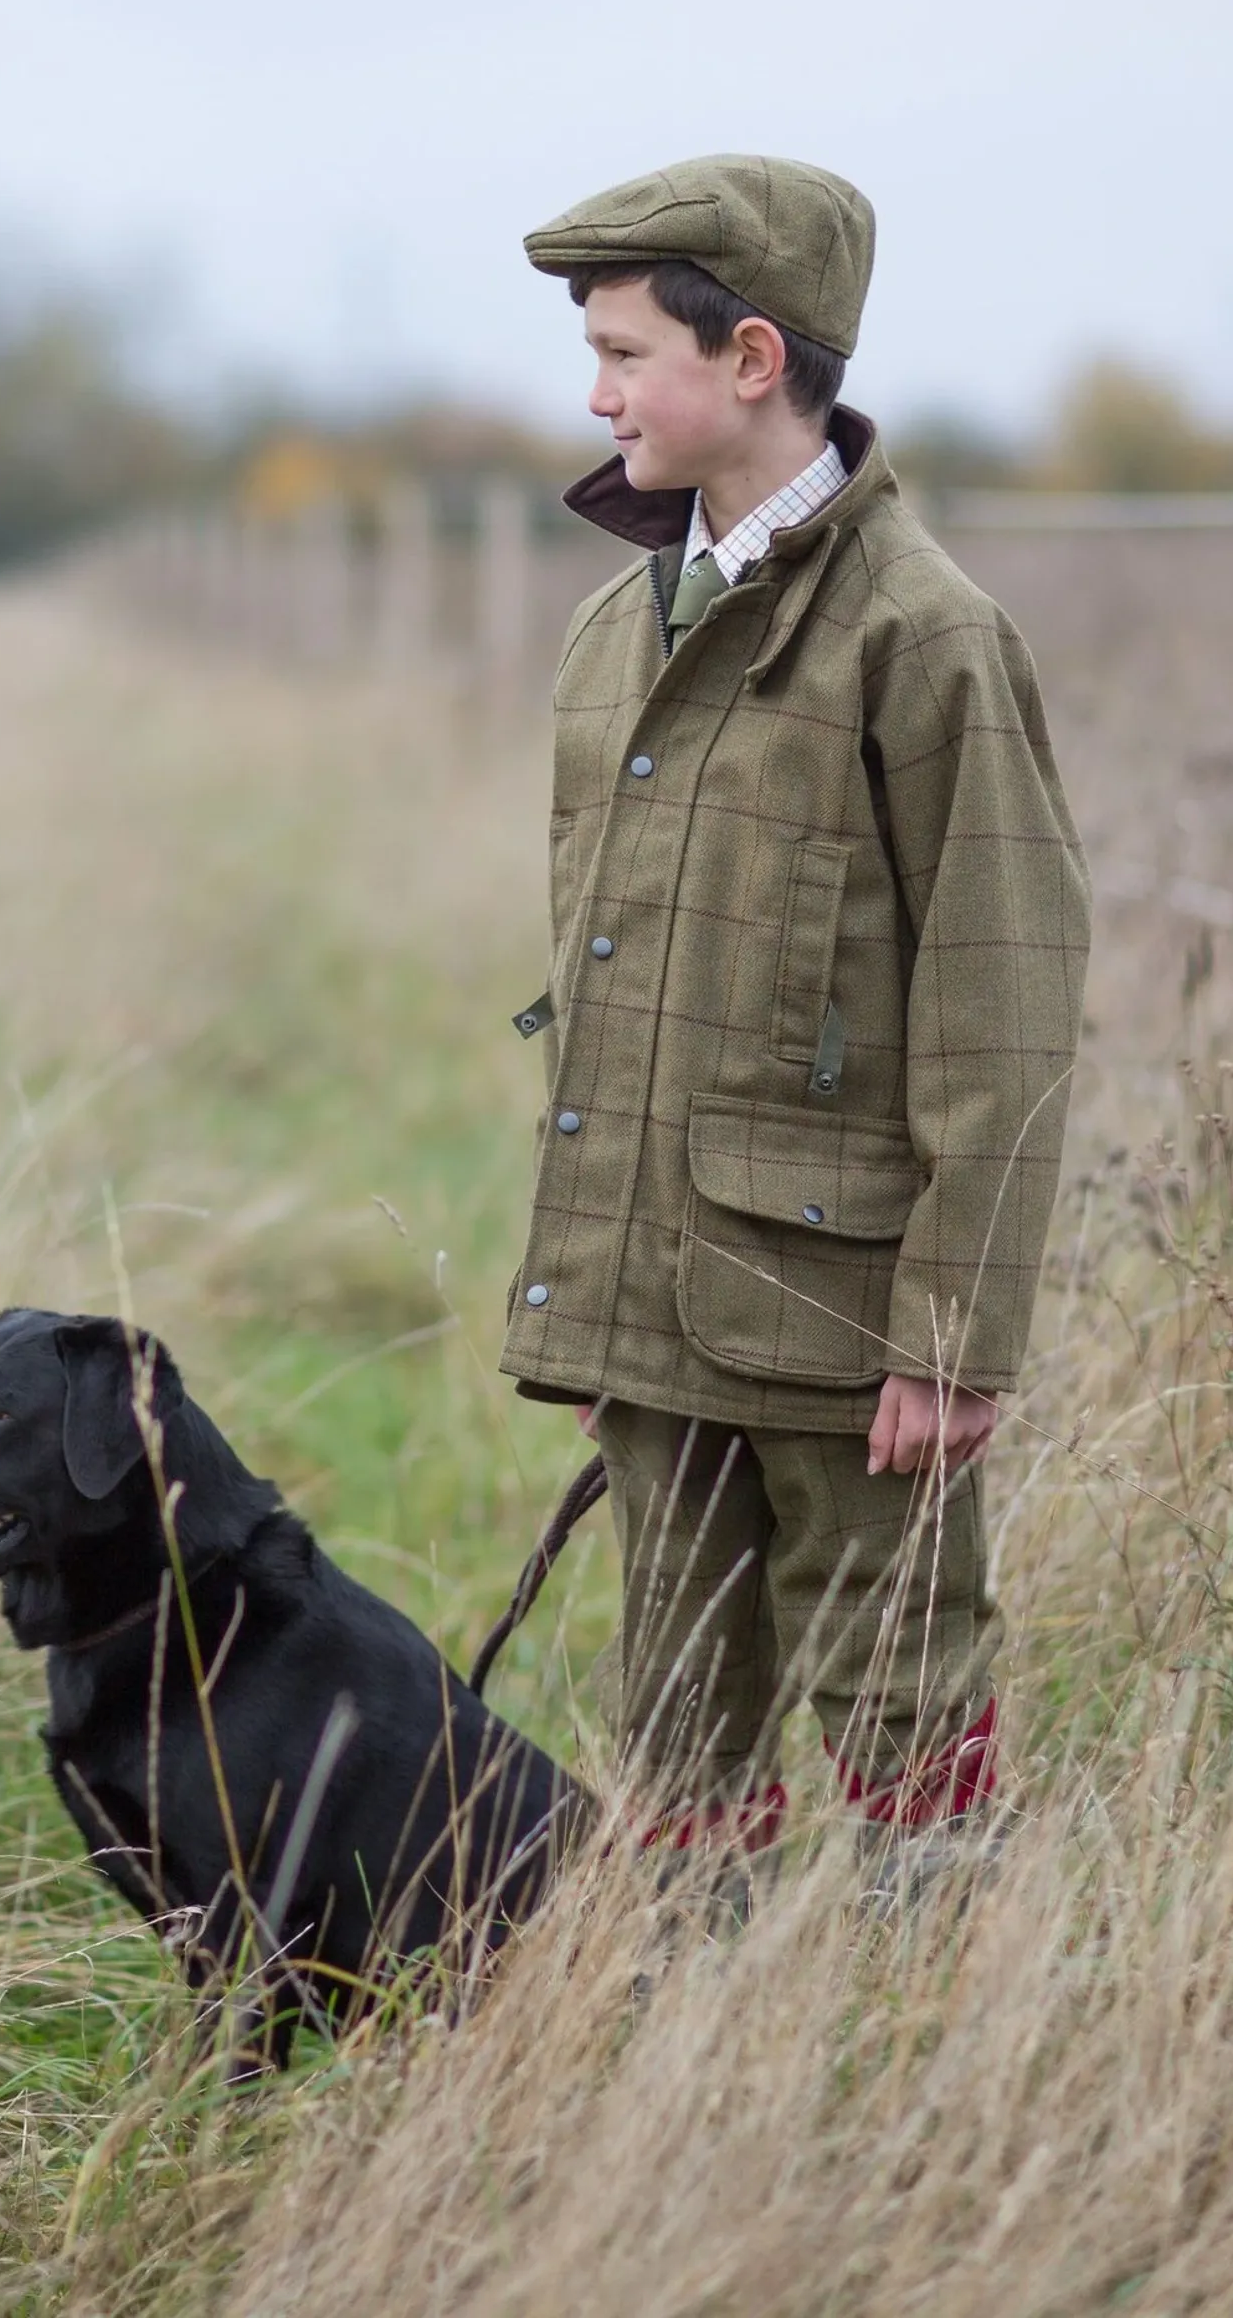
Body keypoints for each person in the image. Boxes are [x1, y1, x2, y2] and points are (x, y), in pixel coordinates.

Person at [501, 154, 1089, 1881]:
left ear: (751, 359)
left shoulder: (928, 638)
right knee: (678, 1702)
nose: (596, 395)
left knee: (905, 1690)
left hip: (842, 1315)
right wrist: (601, 1303)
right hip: (656, 1292)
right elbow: (613, 981)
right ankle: (704, 2022)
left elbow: (1004, 1002)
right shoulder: (613, 633)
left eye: (624, 355)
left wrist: (953, 1335)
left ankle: (949, 2006)